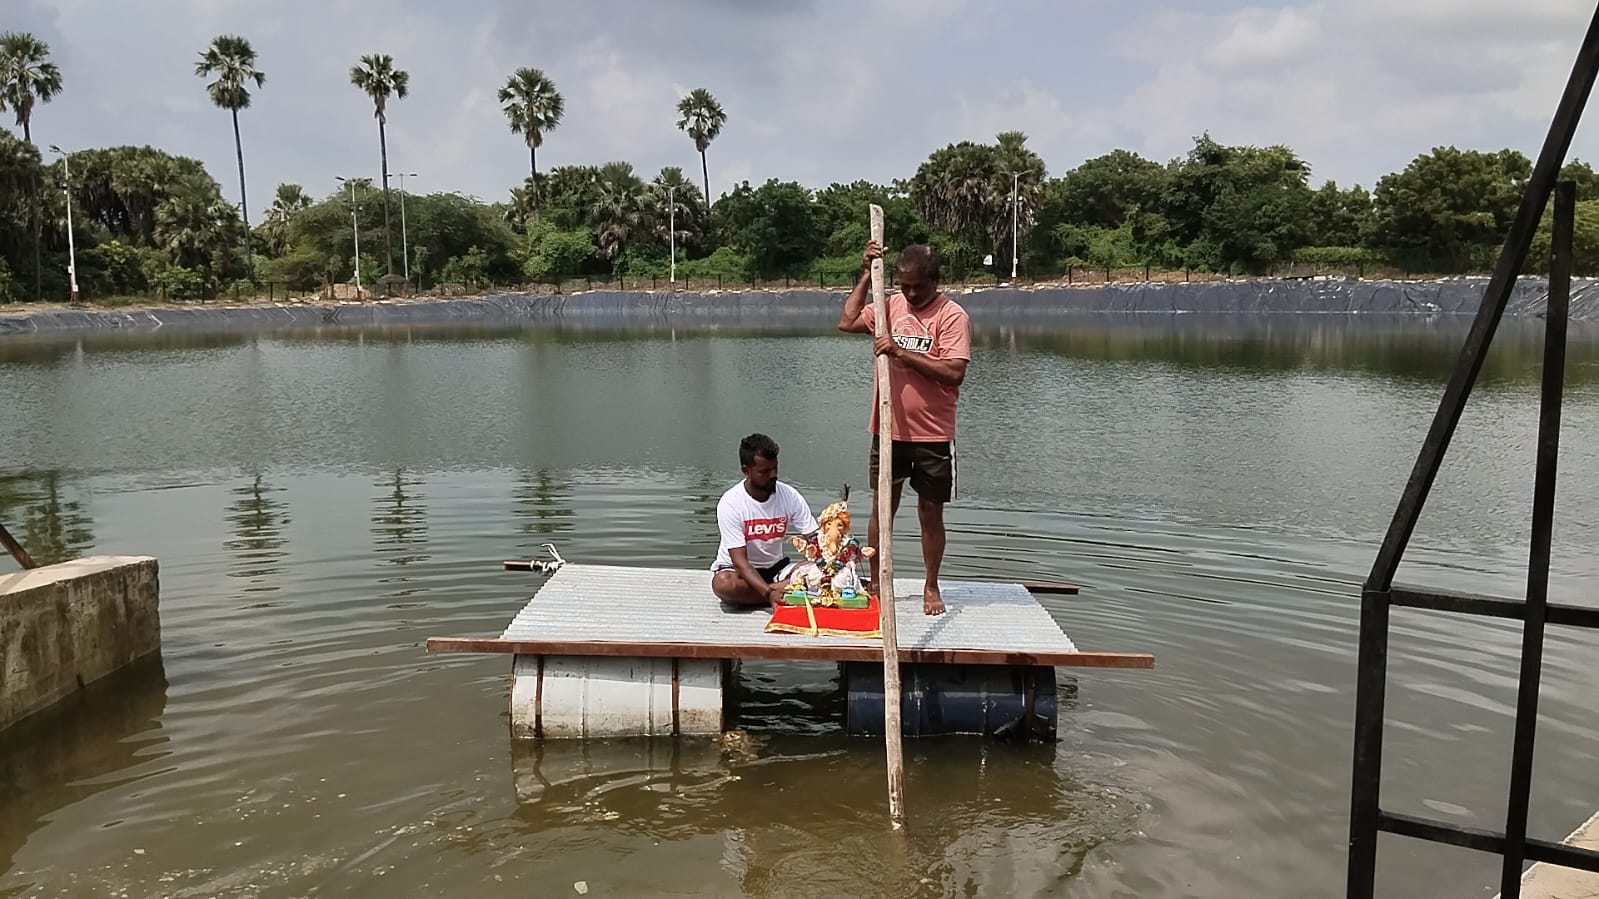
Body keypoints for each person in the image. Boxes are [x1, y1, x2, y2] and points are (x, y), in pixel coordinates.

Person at [836, 239, 971, 616]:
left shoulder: (951, 315)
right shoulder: (888, 305)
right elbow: (846, 321)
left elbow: (954, 372)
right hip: (888, 429)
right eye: (904, 285)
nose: (910, 293)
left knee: (930, 511)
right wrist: (866, 274)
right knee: (883, 508)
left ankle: (931, 585)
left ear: (934, 280)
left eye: (918, 286)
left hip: (933, 435)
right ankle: (878, 582)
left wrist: (900, 353)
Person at [710, 433, 819, 610]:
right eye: (764, 471)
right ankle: (777, 593)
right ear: (746, 471)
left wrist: (836, 556)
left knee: (820, 571)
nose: (773, 475)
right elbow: (741, 563)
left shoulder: (789, 495)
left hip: (776, 570)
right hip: (739, 573)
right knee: (723, 584)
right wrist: (769, 594)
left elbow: (814, 538)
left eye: (775, 468)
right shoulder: (731, 502)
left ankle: (754, 597)